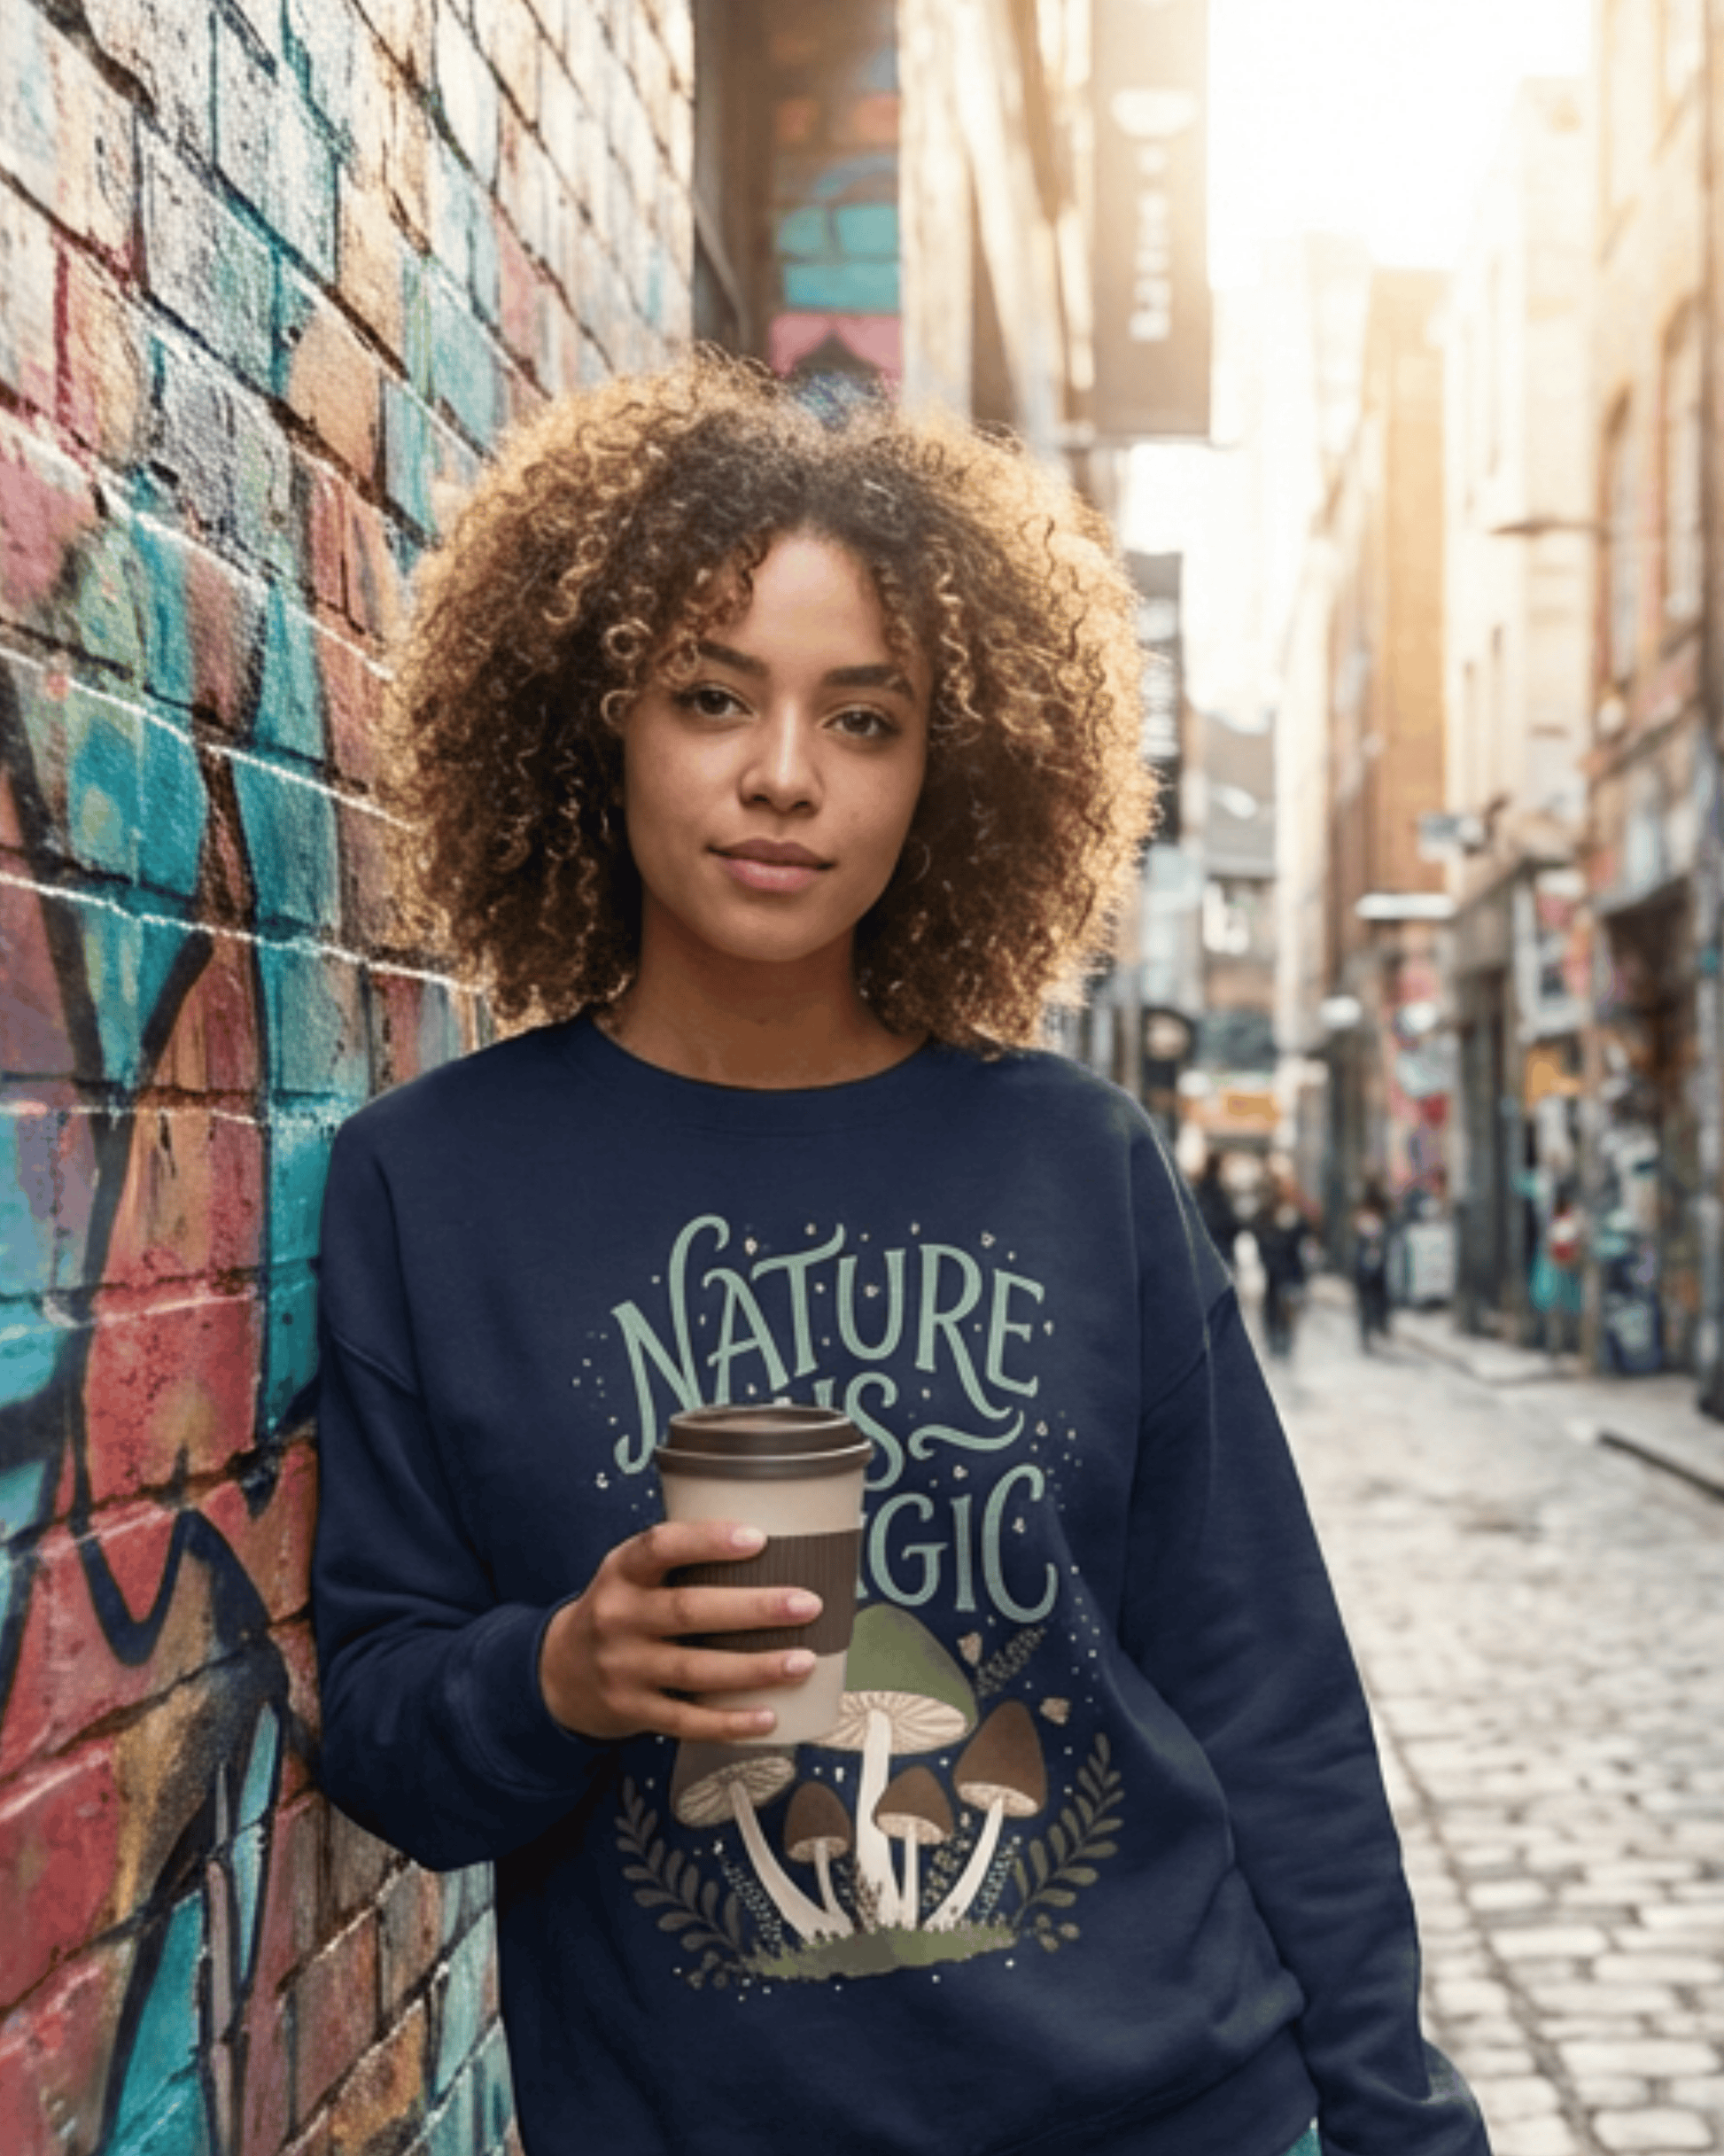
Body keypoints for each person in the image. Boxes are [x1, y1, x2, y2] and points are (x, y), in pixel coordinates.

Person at [311, 354, 1487, 2156]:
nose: (784, 777)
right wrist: (560, 1670)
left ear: (951, 766)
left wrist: (1405, 2129)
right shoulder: (432, 1184)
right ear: (594, 720)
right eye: (712, 697)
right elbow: (383, 1730)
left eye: (865, 718)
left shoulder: (1075, 1158)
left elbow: (1268, 1696)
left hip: (1173, 2107)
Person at [1254, 1169, 1314, 1358]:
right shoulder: (1267, 1213)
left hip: (1290, 1270)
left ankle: (1284, 1341)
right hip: (1277, 1270)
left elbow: (1306, 1239)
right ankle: (1276, 1341)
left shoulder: (1296, 1213)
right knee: (1275, 1307)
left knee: (1287, 1308)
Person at [1352, 1178, 1393, 1352]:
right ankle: (1375, 1328)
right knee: (1374, 1298)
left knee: (1369, 1300)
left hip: (1370, 1269)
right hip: (1370, 1269)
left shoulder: (1365, 1215)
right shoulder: (1369, 1216)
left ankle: (1372, 1329)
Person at [1192, 1150, 1242, 1268]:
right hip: (1219, 1252)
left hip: (1207, 1253)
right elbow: (1226, 1223)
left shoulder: (1200, 1192)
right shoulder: (1216, 1195)